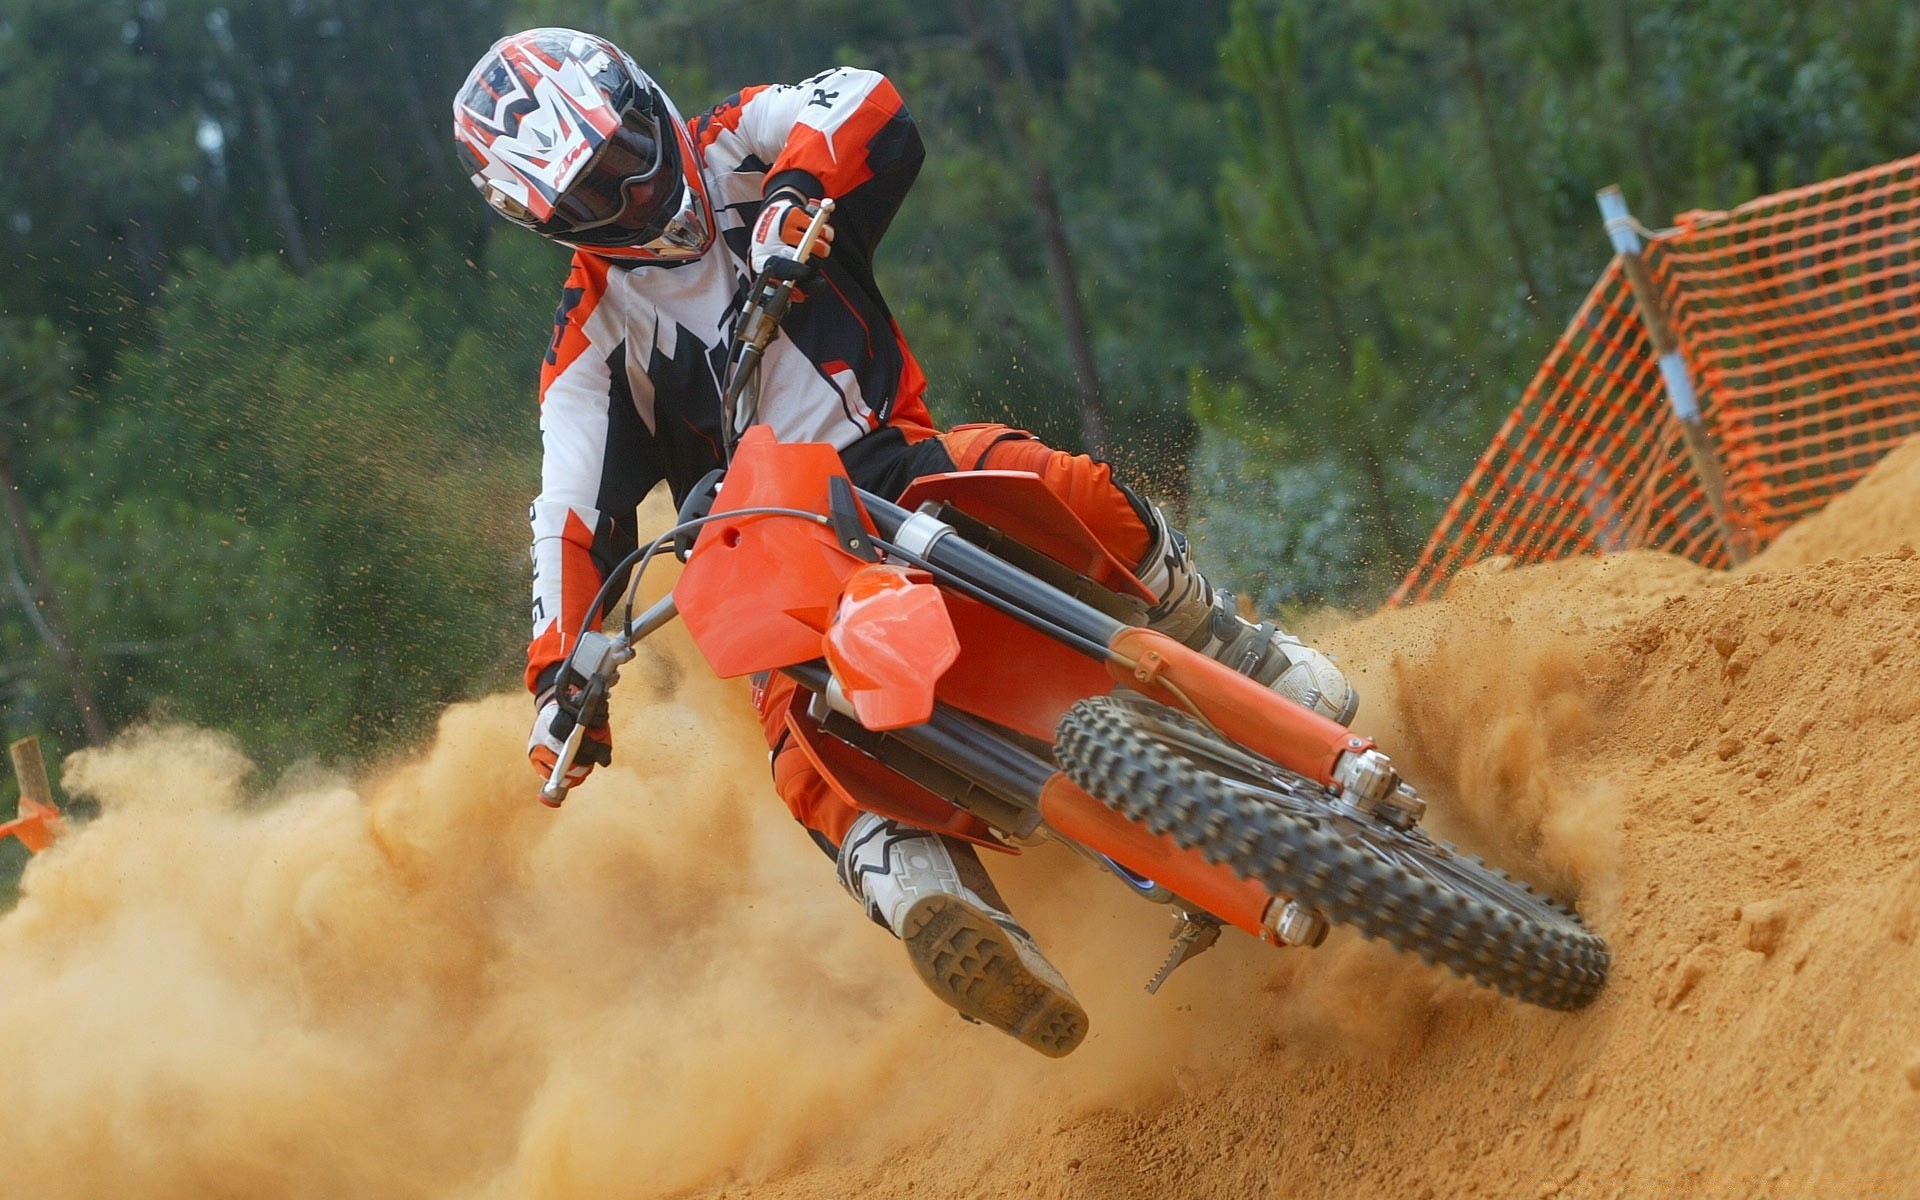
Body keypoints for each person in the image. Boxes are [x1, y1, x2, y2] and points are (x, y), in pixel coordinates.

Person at [452, 28, 1357, 1057]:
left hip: (894, 465)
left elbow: (861, 98)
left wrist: (798, 196)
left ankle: (1239, 649)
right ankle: (938, 906)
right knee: (798, 736)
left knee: (1051, 482)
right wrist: (561, 675)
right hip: (768, 557)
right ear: (557, 226)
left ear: (648, 102)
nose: (639, 185)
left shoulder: (741, 142)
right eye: (598, 193)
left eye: (631, 148)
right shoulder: (590, 345)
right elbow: (566, 513)